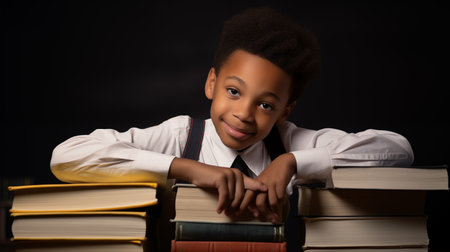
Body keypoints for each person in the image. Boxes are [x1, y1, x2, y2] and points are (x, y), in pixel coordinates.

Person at [50, 6, 414, 251]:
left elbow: (397, 150)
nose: (244, 113)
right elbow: (66, 156)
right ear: (212, 83)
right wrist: (187, 168)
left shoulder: (291, 141)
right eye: (234, 91)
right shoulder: (182, 136)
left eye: (266, 104)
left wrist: (291, 162)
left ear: (285, 111)